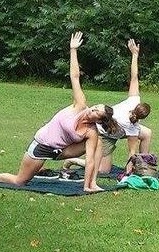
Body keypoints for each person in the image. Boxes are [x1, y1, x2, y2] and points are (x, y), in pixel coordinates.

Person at [0, 32, 119, 192]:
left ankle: (91, 183)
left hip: (61, 151)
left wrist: (86, 187)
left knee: (96, 143)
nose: (92, 109)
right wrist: (73, 50)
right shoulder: (80, 105)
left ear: (97, 120)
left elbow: (90, 159)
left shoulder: (91, 131)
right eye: (95, 107)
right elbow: (75, 77)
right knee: (20, 181)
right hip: (43, 145)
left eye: (96, 112)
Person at [62, 38, 152, 175]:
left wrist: (135, 55)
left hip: (118, 130)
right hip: (104, 134)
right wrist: (128, 175)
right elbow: (131, 152)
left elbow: (134, 77)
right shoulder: (132, 127)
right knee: (103, 170)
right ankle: (74, 160)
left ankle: (143, 167)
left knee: (146, 133)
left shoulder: (134, 101)